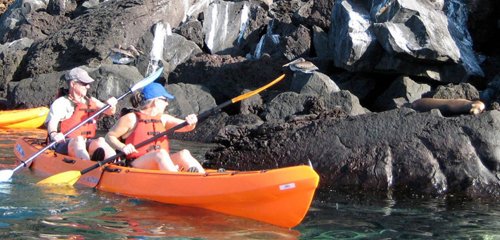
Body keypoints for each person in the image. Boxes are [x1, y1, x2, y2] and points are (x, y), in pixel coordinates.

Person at [105, 82, 205, 173]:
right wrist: (122, 147)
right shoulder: (131, 118)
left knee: (184, 154)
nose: (167, 103)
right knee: (160, 154)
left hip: (158, 162)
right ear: (156, 102)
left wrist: (191, 122)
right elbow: (109, 136)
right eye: (165, 100)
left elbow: (187, 127)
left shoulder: (163, 119)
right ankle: (178, 179)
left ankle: (203, 179)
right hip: (136, 165)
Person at [45, 67, 118, 161]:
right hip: (63, 143)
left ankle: (114, 165)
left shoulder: (91, 101)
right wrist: (54, 134)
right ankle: (87, 165)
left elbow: (110, 111)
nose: (88, 87)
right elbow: (52, 122)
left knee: (101, 141)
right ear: (73, 84)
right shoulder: (61, 103)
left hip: (85, 142)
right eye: (84, 83)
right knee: (78, 140)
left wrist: (111, 105)